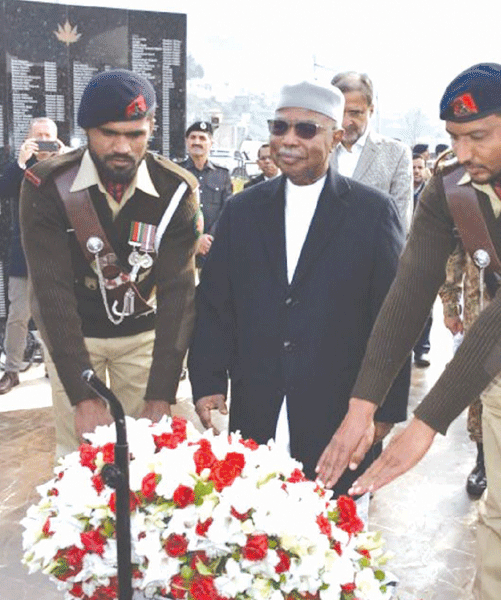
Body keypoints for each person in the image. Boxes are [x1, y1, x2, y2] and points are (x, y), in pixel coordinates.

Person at [316, 63, 501, 600]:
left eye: (478, 137)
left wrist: (426, 422)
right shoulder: (450, 183)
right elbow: (408, 293)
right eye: (454, 138)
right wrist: (362, 406)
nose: (464, 153)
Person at [188, 80, 410, 497]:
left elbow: (392, 319)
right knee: (253, 530)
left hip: (335, 410)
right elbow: (216, 305)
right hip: (259, 401)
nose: (288, 140)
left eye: (306, 130)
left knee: (331, 536)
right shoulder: (242, 210)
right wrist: (209, 379)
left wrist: (385, 409)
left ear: (336, 138)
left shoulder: (372, 213)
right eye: (279, 128)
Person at [20, 69, 200, 455]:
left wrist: (161, 393)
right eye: (109, 133)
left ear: (150, 128)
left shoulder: (176, 191)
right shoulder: (47, 185)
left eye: (135, 134)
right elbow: (50, 291)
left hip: (141, 338)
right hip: (74, 333)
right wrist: (83, 397)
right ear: (87, 130)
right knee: (78, 458)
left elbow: (179, 295)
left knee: (145, 458)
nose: (122, 147)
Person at [0, 117, 63, 395]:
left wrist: (68, 157)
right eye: (39, 135)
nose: (44, 139)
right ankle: (12, 369)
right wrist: (21, 163)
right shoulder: (22, 167)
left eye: (48, 134)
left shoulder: (65, 165)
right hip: (23, 254)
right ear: (28, 138)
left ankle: (53, 367)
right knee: (18, 314)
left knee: (54, 313)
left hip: (55, 254)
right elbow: (2, 191)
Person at [330, 71, 413, 232]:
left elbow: (400, 224)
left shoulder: (396, 154)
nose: (346, 122)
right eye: (339, 113)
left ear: (371, 110)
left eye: (355, 113)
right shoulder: (318, 150)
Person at [438, 235, 488, 498]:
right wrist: (450, 306)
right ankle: (483, 462)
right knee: (478, 389)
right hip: (476, 312)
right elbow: (454, 252)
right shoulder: (468, 195)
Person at [177, 121, 232, 267]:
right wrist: (195, 240)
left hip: (213, 249)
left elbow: (227, 211)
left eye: (202, 138)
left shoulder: (223, 175)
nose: (197, 142)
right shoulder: (176, 173)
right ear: (186, 141)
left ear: (211, 143)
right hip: (183, 249)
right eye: (193, 137)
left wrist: (208, 239)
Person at [411, 153, 433, 367]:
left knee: (424, 306)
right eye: (413, 167)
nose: (416, 171)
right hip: (401, 253)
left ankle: (422, 350)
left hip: (424, 255)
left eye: (420, 167)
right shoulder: (400, 190)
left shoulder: (431, 193)